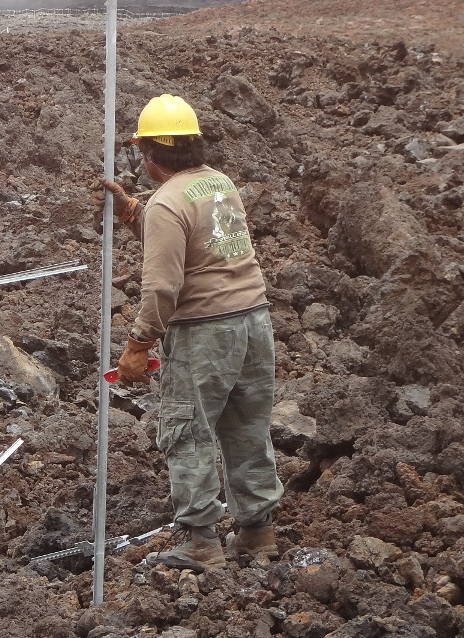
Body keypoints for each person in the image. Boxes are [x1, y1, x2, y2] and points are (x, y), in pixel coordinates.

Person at [93, 94, 283, 572]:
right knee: (247, 426)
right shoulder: (219, 184)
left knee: (188, 432)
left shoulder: (167, 201)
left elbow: (161, 287)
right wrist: (135, 211)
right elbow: (203, 239)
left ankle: (201, 542)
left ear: (150, 155)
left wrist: (138, 345)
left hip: (204, 333)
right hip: (254, 322)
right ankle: (258, 533)